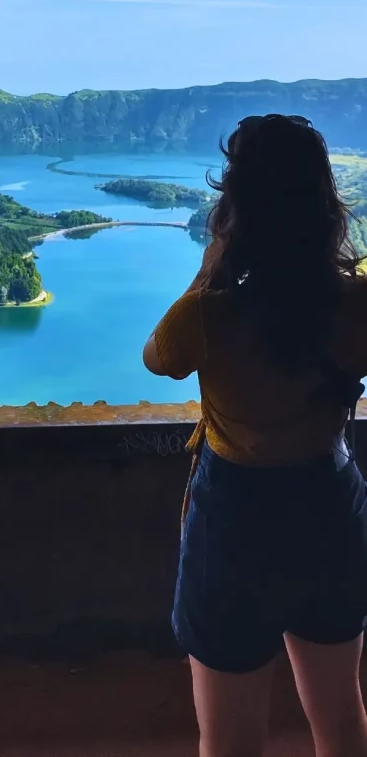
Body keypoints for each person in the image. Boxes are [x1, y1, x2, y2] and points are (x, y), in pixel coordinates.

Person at [143, 114, 367, 757]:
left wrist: (211, 268)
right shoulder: (358, 305)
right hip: (330, 503)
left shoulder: (208, 315)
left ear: (235, 207)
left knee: (231, 741)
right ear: (325, 205)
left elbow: (159, 359)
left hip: (235, 523)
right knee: (342, 721)